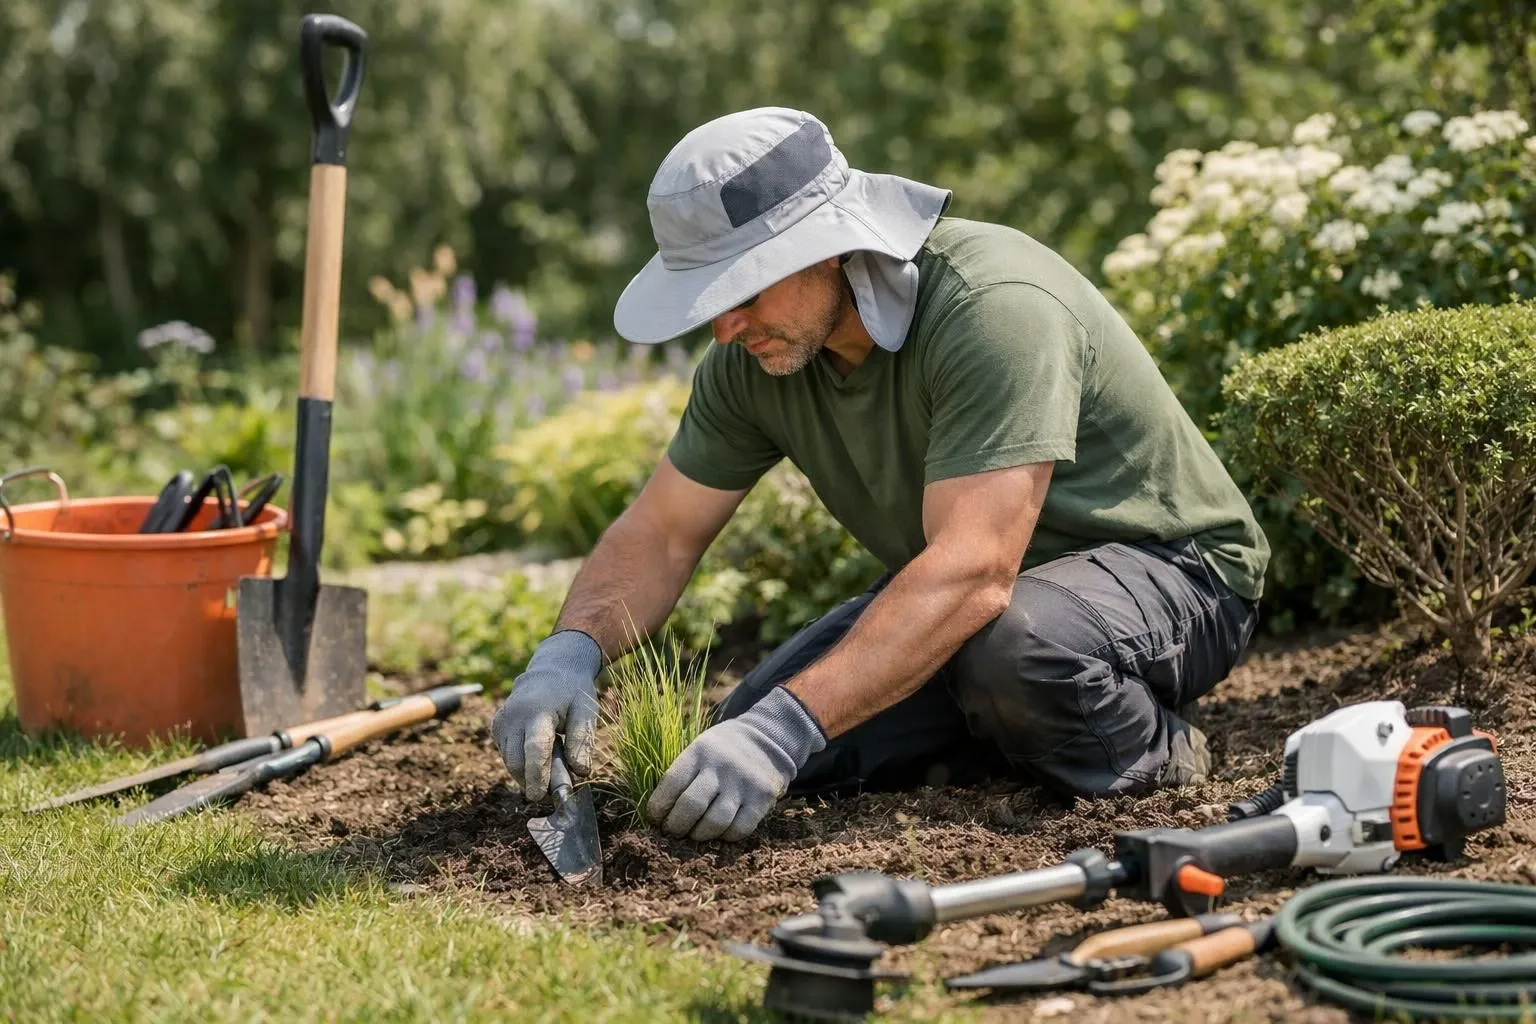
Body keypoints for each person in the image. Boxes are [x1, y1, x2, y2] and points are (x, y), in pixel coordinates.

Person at [492, 107, 1269, 843]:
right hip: (981, 599)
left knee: (1010, 652)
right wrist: (568, 652)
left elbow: (973, 571)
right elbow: (662, 532)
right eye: (707, 301)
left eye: (742, 290)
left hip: (1174, 575)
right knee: (732, 748)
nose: (724, 328)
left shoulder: (991, 305)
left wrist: (790, 726)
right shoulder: (750, 362)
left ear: (826, 245)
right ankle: (1006, 732)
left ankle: (1157, 754)